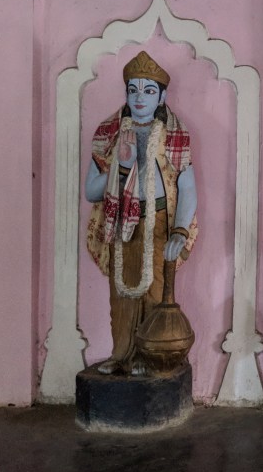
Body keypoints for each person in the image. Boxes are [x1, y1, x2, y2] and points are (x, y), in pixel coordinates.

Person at [84, 51, 198, 376]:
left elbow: (188, 189)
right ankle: (122, 354)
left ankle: (147, 356)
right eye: (133, 90)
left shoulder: (175, 135)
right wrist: (120, 167)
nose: (139, 98)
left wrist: (179, 230)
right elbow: (91, 192)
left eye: (148, 91)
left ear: (162, 96)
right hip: (121, 223)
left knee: (155, 289)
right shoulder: (110, 135)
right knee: (122, 293)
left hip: (159, 223)